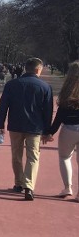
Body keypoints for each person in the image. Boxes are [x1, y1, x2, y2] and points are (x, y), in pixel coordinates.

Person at [0, 57, 53, 201]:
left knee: (16, 155)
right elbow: (48, 111)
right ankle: (29, 186)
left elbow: (3, 106)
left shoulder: (12, 85)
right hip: (35, 126)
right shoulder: (44, 87)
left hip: (15, 125)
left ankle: (18, 182)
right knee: (33, 156)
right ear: (38, 69)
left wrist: (0, 124)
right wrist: (47, 130)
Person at [45, 61, 79, 200]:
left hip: (69, 128)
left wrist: (50, 132)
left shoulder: (67, 91)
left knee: (65, 157)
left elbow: (59, 115)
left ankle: (67, 187)